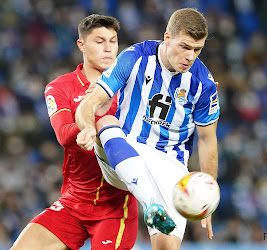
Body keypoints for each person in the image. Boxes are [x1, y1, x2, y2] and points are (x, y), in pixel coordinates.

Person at [76, 8, 220, 250]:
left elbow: (207, 140)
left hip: (169, 163)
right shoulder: (135, 57)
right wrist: (87, 128)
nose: (190, 56)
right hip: (122, 152)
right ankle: (151, 202)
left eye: (197, 50)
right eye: (184, 47)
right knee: (105, 121)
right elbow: (88, 105)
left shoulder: (203, 84)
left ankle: (153, 206)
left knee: (166, 247)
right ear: (167, 38)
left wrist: (209, 196)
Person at [10, 14, 138, 250]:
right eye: (100, 41)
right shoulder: (60, 87)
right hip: (73, 203)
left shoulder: (133, 88)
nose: (109, 49)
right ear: (81, 44)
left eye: (113, 41)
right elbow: (63, 134)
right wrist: (89, 120)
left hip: (115, 208)